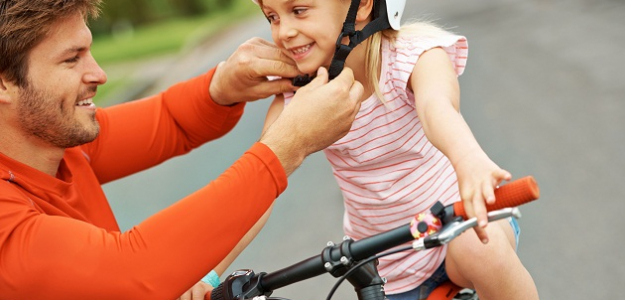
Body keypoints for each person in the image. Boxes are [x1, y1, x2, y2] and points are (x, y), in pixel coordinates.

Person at [0, 1, 365, 299]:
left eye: (89, 52)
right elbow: (134, 270)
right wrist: (287, 146)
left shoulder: (56, 142)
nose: (98, 74)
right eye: (71, 59)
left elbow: (169, 120)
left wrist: (222, 87)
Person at [248, 0, 540, 299]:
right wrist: (209, 272)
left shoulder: (413, 56)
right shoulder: (298, 95)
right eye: (272, 17)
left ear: (362, 6)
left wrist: (470, 161)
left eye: (298, 11)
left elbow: (436, 108)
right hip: (387, 267)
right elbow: (260, 182)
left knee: (483, 248)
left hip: (461, 221)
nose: (283, 32)